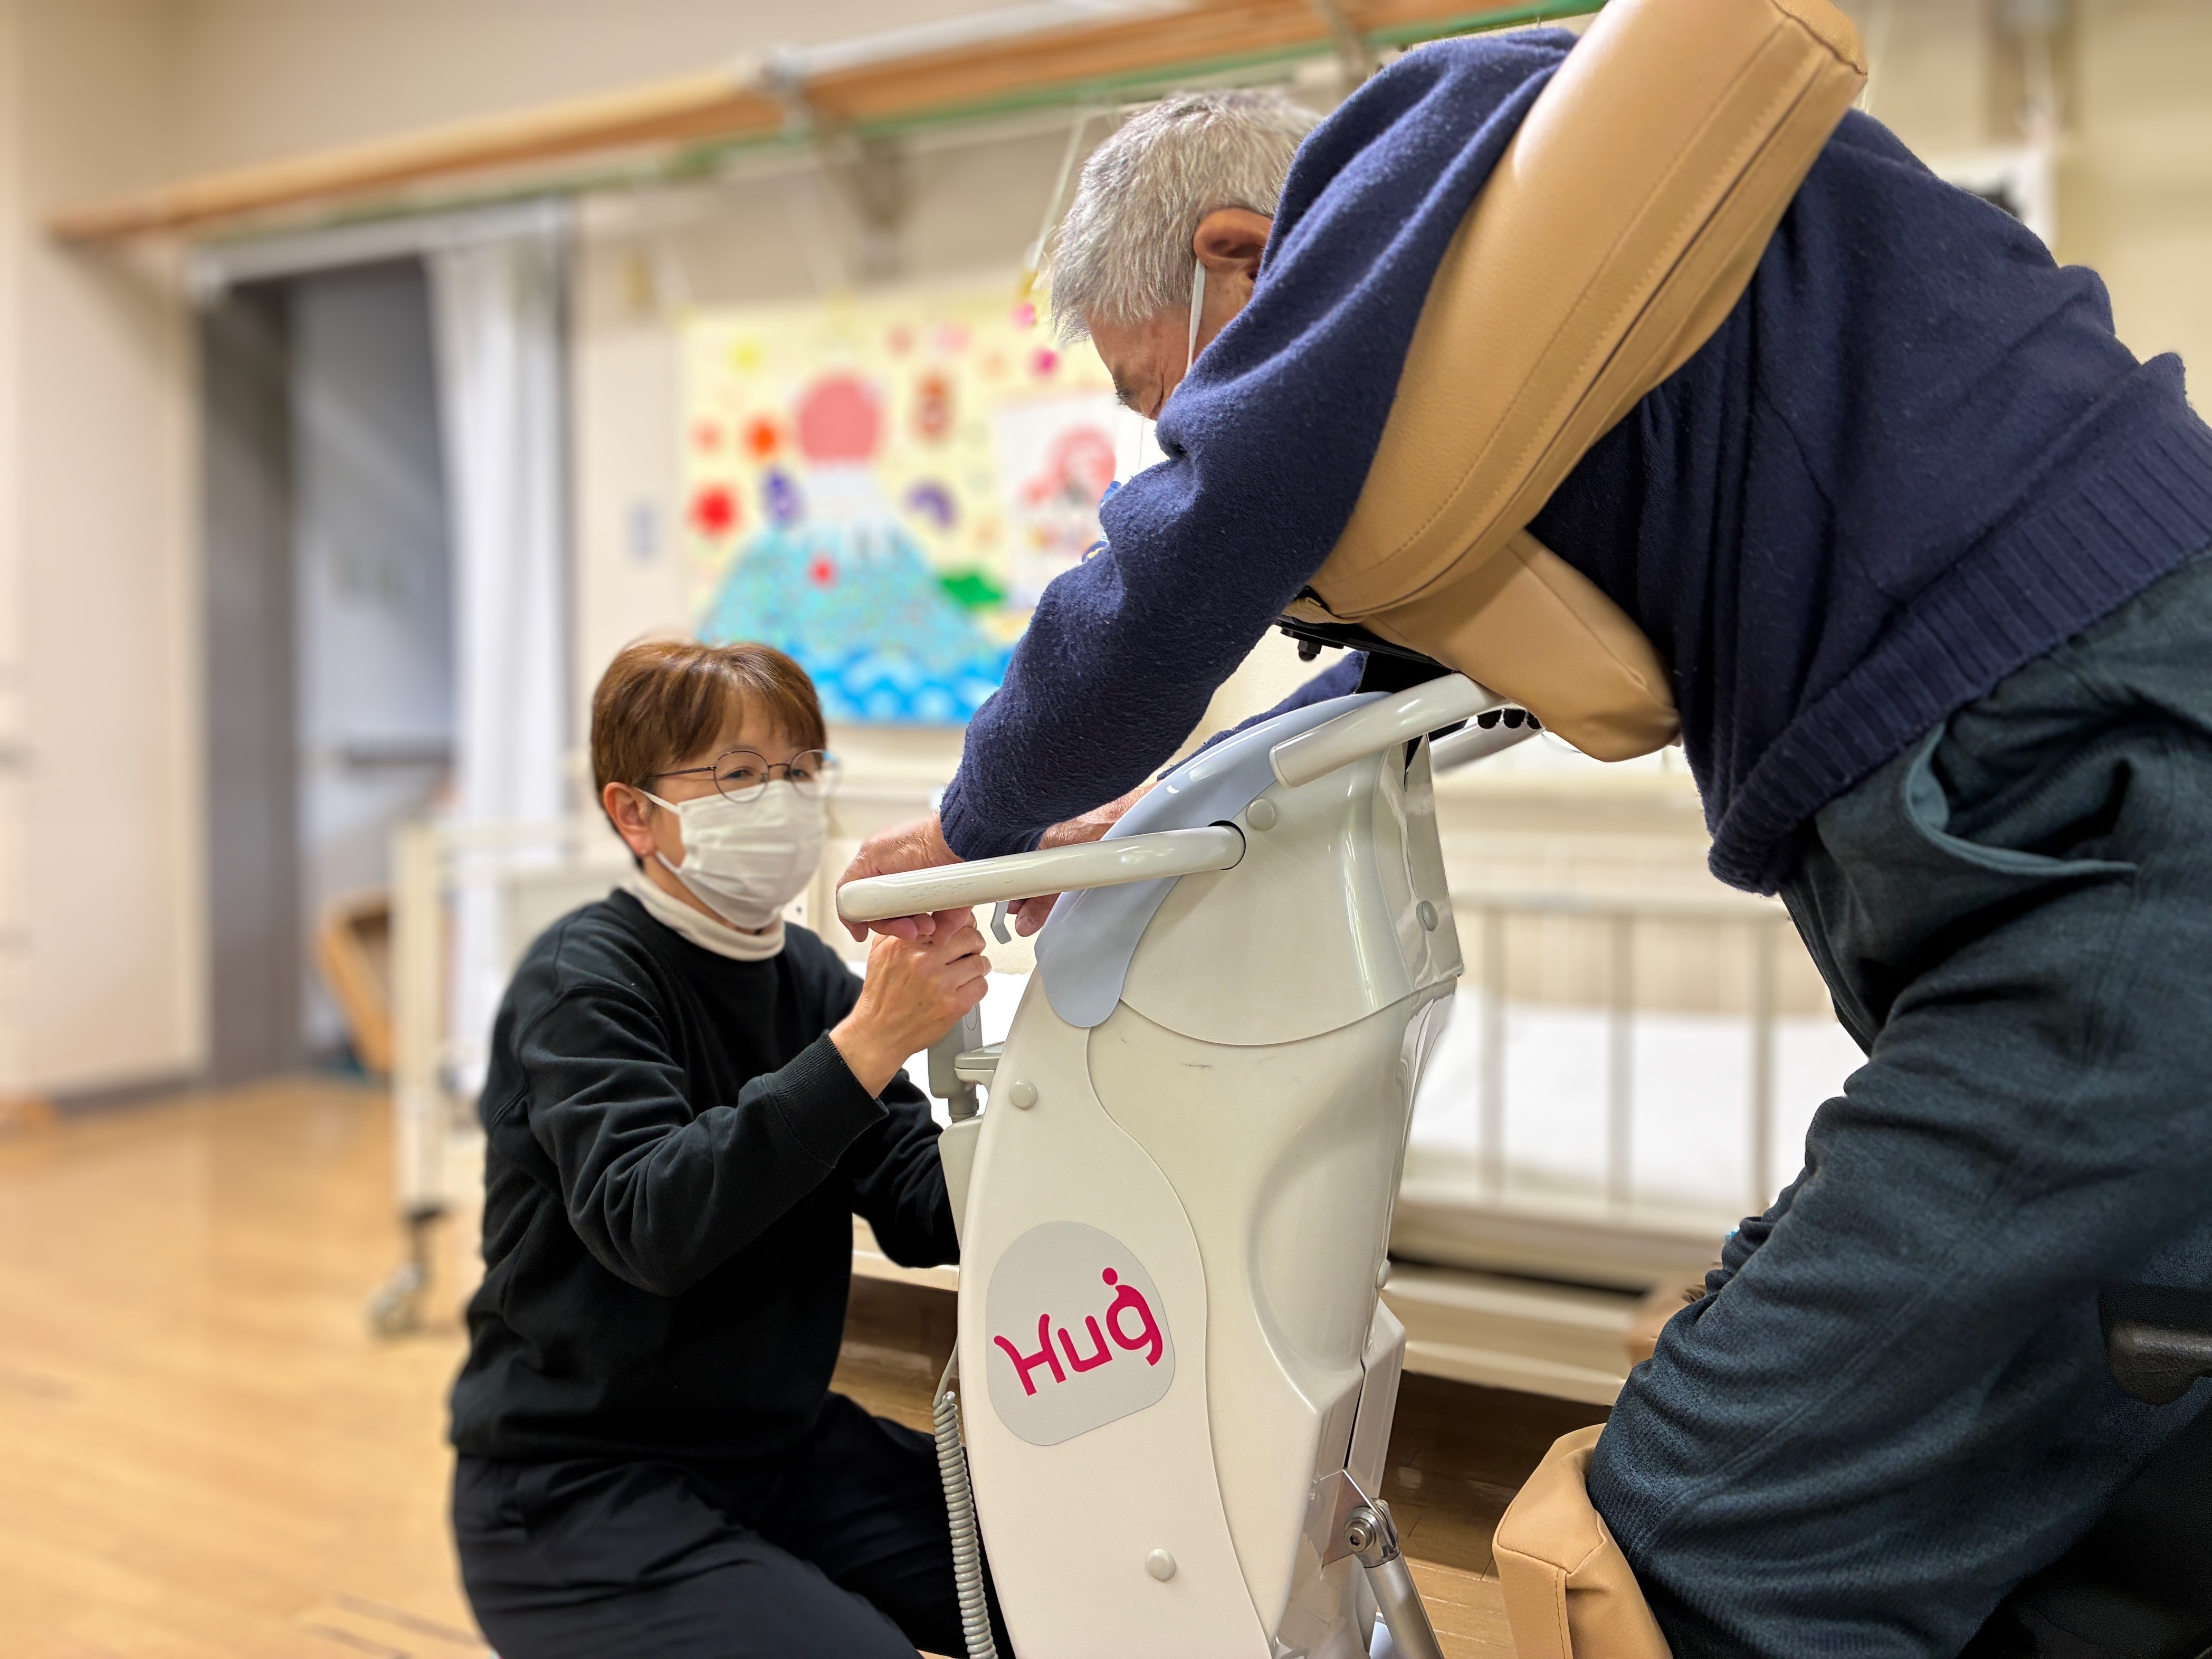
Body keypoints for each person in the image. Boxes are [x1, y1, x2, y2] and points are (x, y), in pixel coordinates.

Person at [839, 41, 2212, 1659]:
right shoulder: (1567, 299)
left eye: (1166, 398)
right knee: (2100, 1543)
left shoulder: (1418, 137)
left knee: (1673, 1547)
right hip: (2066, 800)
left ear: (1237, 257)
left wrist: (977, 820)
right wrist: (1138, 816)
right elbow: (1424, 641)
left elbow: (1209, 533)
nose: (1175, 442)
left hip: (2090, 813)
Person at [450, 638, 1008, 1659]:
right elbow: (653, 1222)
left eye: (800, 771)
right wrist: (871, 1043)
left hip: (776, 1446)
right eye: (741, 776)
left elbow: (923, 1210)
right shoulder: (582, 983)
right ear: (634, 813)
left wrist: (1046, 1101)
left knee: (1056, 1578)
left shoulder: (809, 981)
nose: (784, 799)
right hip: (578, 1483)